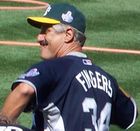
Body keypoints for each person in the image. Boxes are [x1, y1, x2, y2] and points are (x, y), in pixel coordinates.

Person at [0, 2, 138, 131]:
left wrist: (3, 123)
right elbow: (131, 113)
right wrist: (108, 80)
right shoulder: (107, 79)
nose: (39, 37)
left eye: (46, 31)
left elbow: (24, 90)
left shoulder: (55, 67)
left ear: (68, 35)